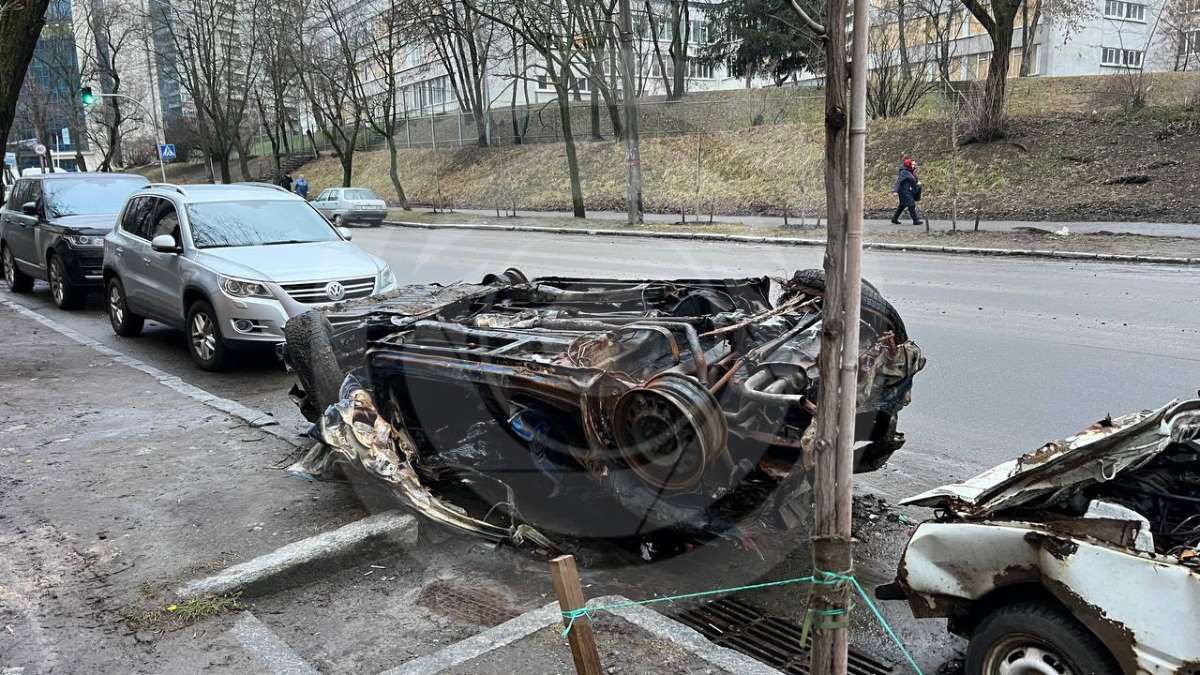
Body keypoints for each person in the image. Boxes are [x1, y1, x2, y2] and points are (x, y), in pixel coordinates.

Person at [891, 157, 923, 226]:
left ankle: (894, 219)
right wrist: (895, 191)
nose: (915, 165)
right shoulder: (904, 172)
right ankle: (916, 220)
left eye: (915, 164)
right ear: (909, 165)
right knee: (911, 204)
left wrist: (917, 183)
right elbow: (898, 181)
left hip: (909, 191)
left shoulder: (911, 171)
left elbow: (913, 180)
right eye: (913, 164)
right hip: (904, 192)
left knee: (902, 205)